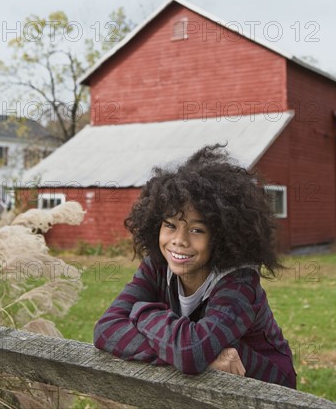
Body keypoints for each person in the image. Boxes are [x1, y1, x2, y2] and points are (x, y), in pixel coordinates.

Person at [94, 144, 297, 388]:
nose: (179, 240)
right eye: (170, 225)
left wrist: (142, 313)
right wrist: (183, 355)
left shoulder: (240, 283)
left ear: (221, 236)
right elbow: (106, 330)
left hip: (267, 389)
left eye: (196, 230)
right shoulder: (156, 265)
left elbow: (191, 351)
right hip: (208, 387)